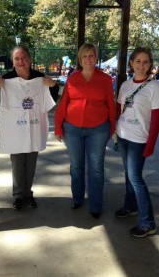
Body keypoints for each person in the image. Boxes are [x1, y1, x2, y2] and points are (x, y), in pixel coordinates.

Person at [0, 45, 59, 211]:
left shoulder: (40, 78)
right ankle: (18, 196)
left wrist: (53, 86)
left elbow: (50, 101)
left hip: (34, 128)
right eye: (17, 58)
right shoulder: (6, 79)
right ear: (12, 61)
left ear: (30, 59)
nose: (21, 61)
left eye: (24, 58)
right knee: (18, 164)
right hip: (15, 129)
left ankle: (28, 194)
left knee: (31, 163)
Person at [54, 43, 116, 219]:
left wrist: (112, 127)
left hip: (98, 129)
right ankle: (77, 198)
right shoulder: (72, 79)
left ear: (96, 57)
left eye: (91, 56)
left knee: (96, 168)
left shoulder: (105, 79)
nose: (88, 59)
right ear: (80, 59)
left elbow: (110, 105)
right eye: (84, 57)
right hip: (72, 129)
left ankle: (96, 204)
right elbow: (63, 103)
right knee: (76, 165)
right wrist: (58, 127)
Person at [115, 47, 159, 237]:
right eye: (138, 61)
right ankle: (130, 205)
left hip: (139, 139)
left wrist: (150, 144)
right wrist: (115, 133)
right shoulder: (125, 85)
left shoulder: (154, 87)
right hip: (123, 135)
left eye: (146, 61)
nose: (141, 65)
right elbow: (119, 111)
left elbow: (156, 119)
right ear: (131, 63)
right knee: (128, 174)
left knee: (136, 178)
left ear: (150, 65)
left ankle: (148, 222)